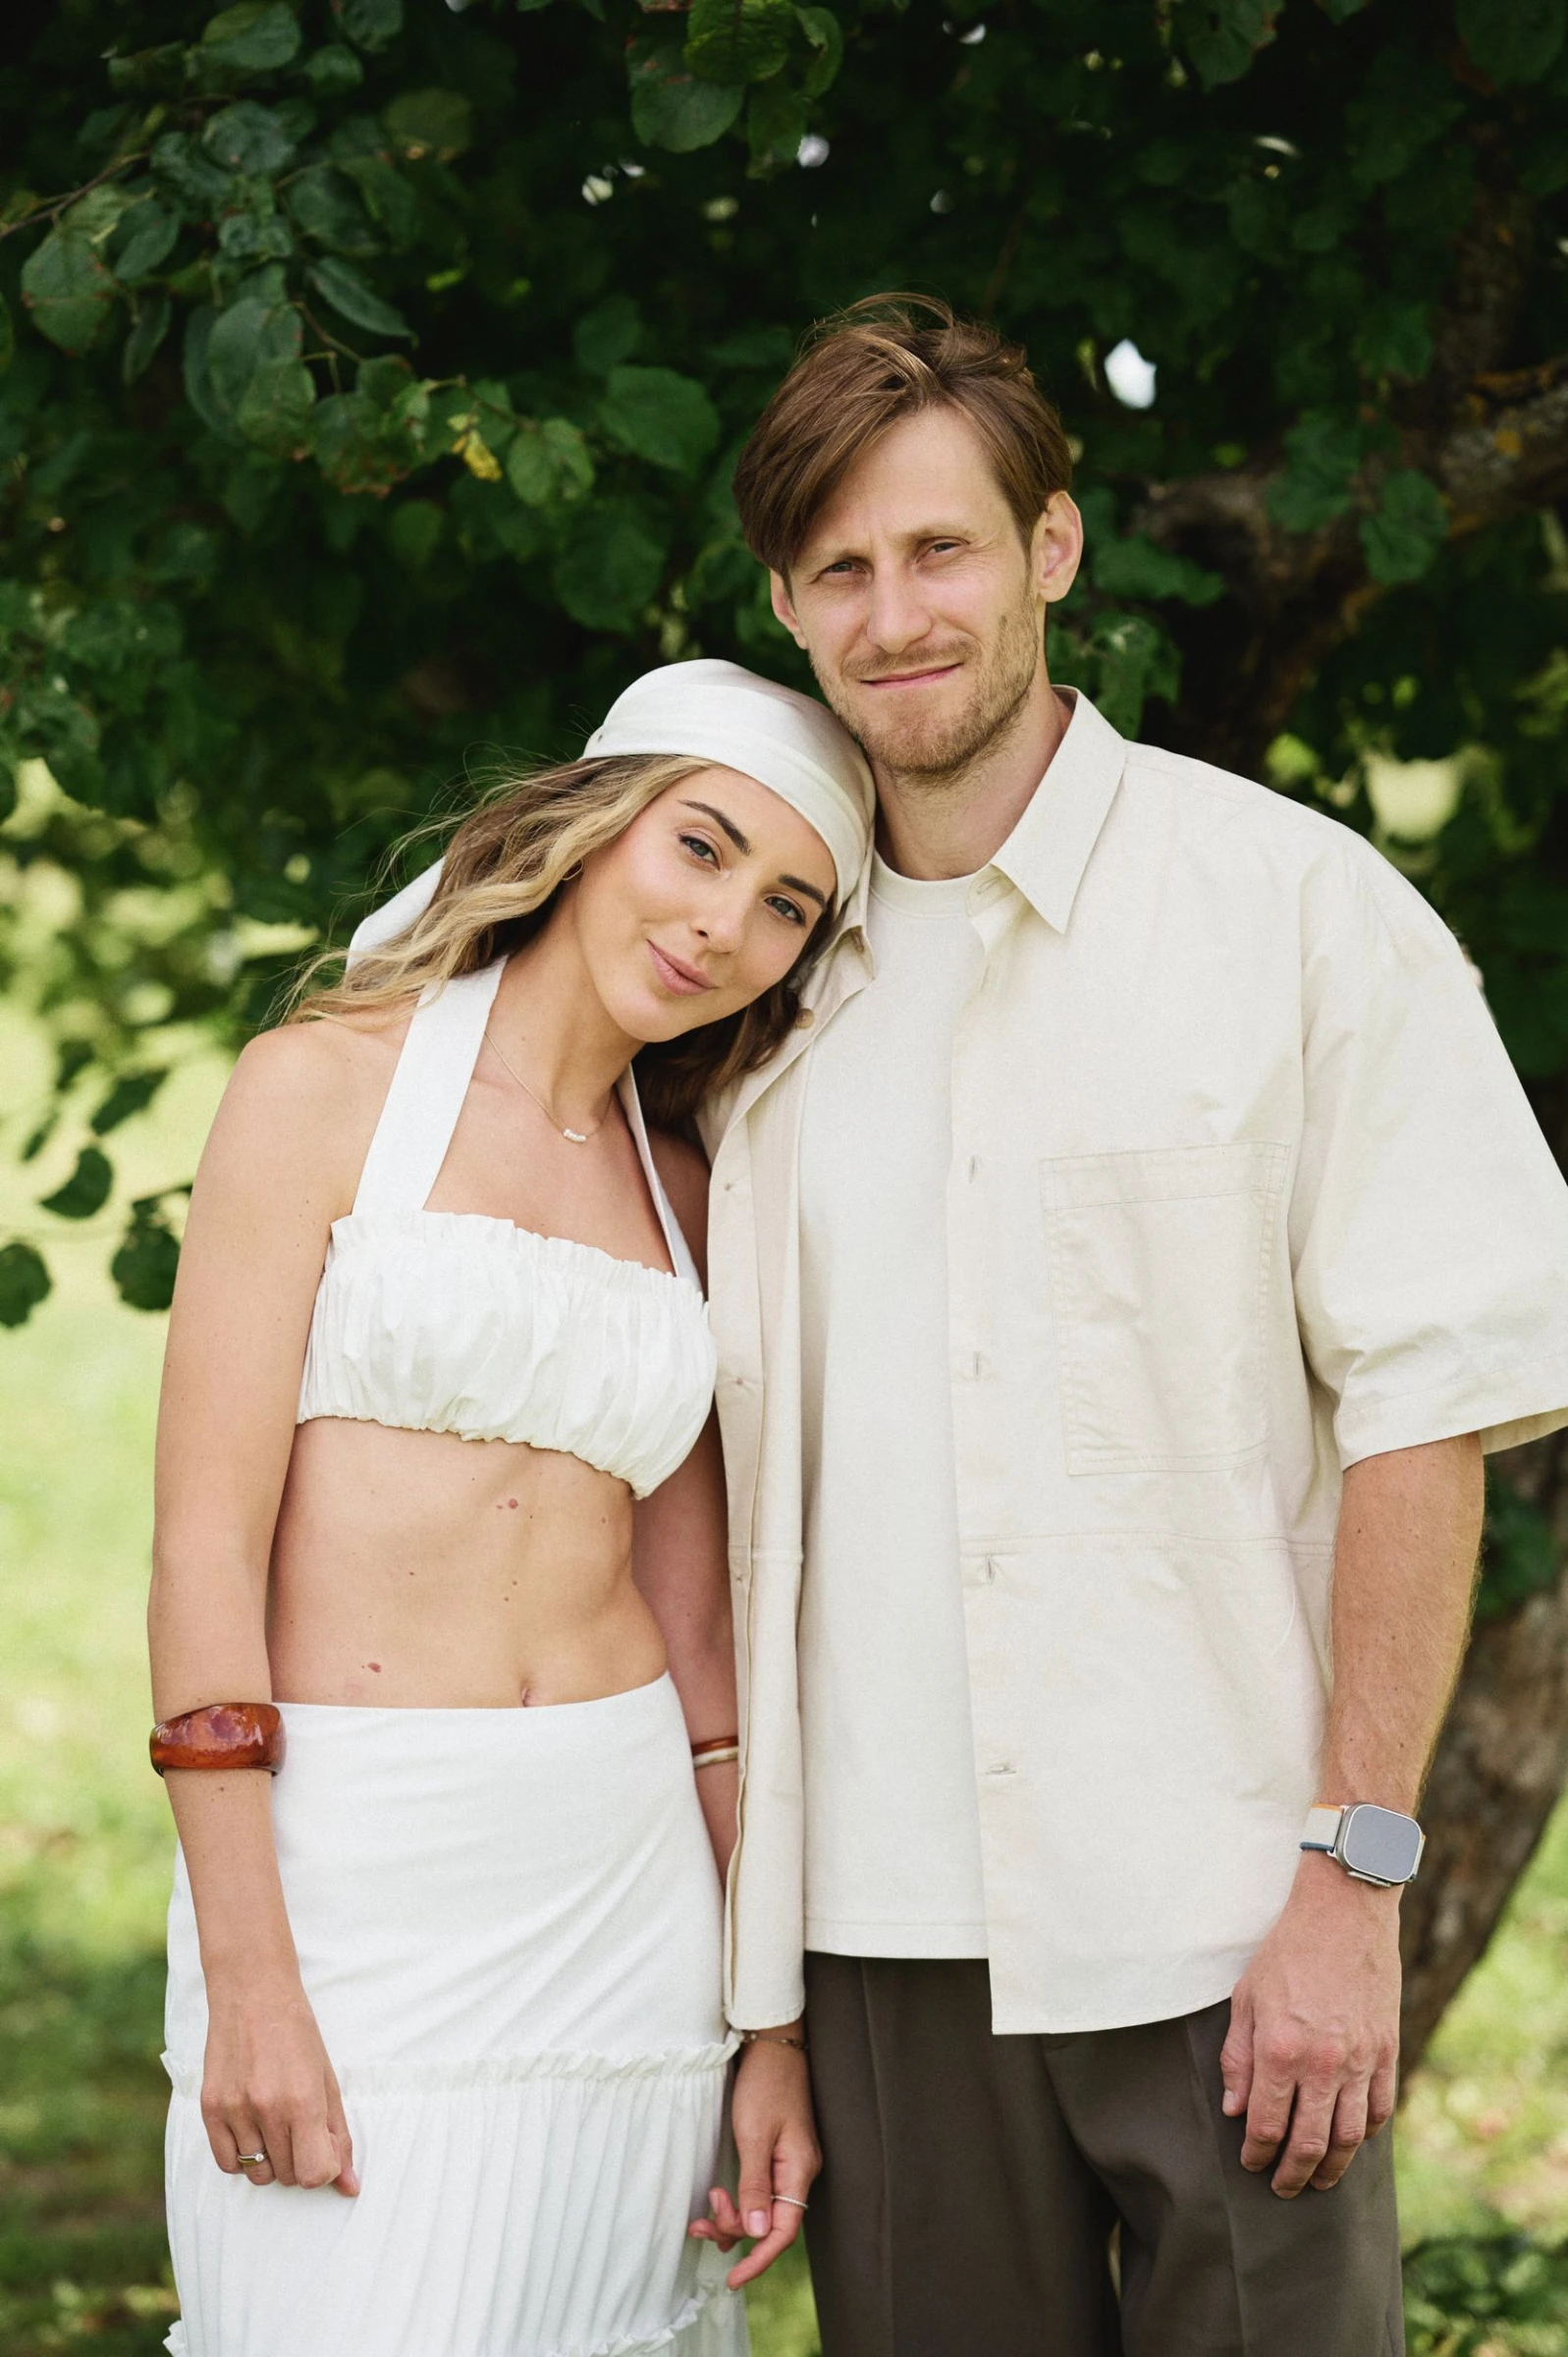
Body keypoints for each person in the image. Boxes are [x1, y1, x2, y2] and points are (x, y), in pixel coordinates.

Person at [692, 297, 1568, 2354]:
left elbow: (1428, 1412)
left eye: (941, 549)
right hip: (881, 1938)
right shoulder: (749, 986)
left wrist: (1353, 1880)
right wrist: (764, 2000)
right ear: (787, 607)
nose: (896, 614)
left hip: (1227, 1916)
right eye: (840, 568)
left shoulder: (1298, 916)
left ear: (1053, 550)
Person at [147, 661, 872, 2357]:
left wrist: (767, 2025)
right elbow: (198, 1556)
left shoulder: (686, 1186)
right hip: (352, 1878)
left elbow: (697, 1640)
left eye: (785, 906)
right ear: (595, 822)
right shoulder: (318, 1091)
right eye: (701, 847)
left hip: (621, 1893)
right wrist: (249, 1977)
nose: (722, 927)